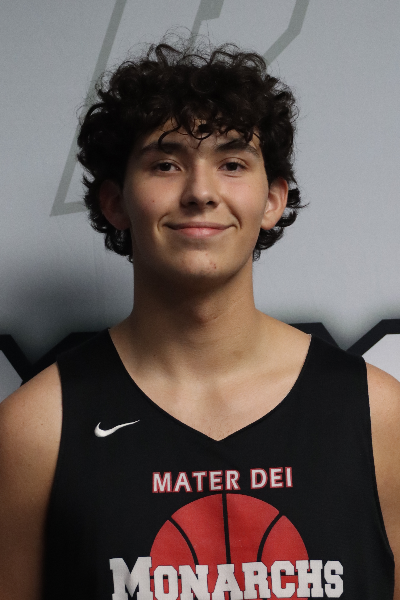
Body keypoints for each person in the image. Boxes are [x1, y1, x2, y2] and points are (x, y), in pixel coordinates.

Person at [0, 37, 399, 600]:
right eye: (166, 164)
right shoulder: (35, 429)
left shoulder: (379, 414)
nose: (201, 192)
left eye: (232, 164)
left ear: (272, 200)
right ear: (115, 201)